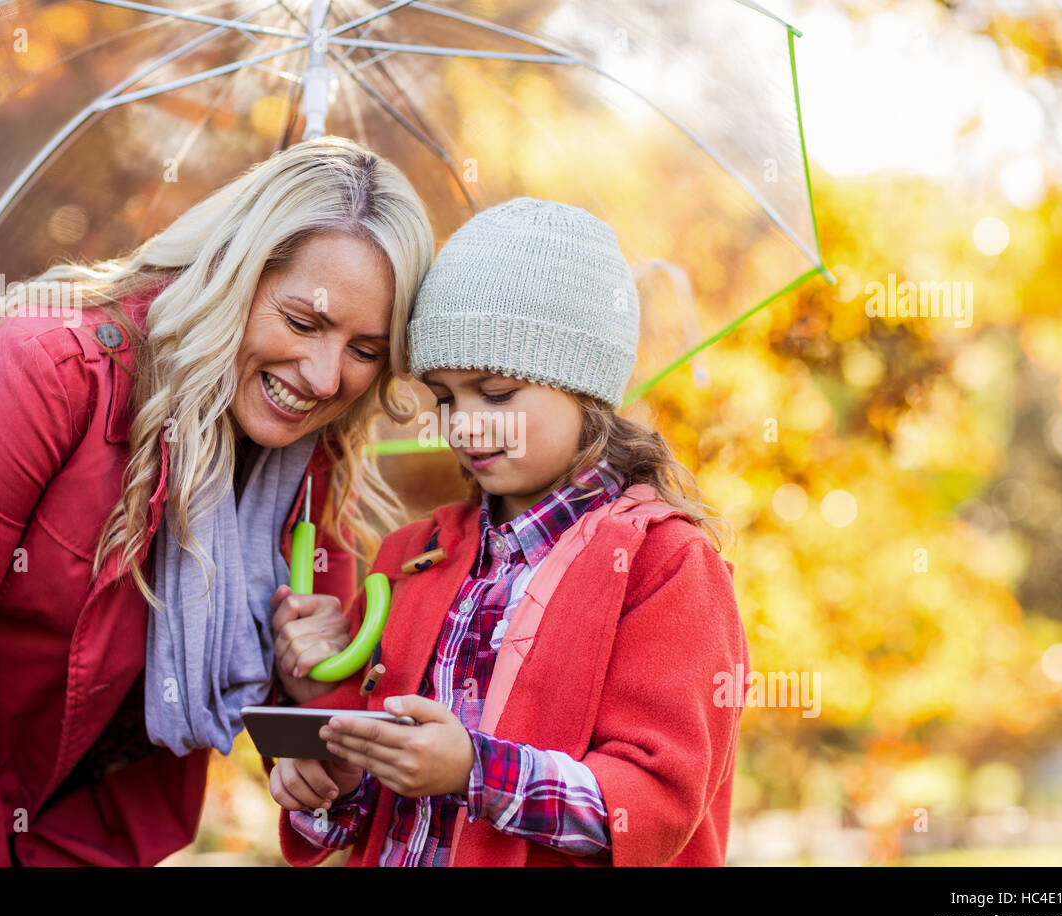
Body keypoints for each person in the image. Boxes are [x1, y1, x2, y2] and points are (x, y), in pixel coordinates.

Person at [0, 135, 434, 866]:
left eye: (365, 350)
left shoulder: (314, 464)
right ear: (231, 277)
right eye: (303, 322)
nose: (326, 376)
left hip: (70, 824)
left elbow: (309, 767)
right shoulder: (46, 374)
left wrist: (306, 694)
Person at [267, 197, 749, 866]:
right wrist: (331, 777)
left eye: (494, 394)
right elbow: (356, 801)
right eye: (444, 397)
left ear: (583, 387)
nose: (462, 424)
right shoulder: (413, 556)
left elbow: (656, 808)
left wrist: (474, 771)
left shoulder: (665, 564)